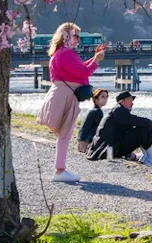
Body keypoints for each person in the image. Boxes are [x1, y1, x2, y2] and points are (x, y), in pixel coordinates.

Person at [37, 22, 105, 183]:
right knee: (65, 134)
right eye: (76, 36)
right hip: (66, 95)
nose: (78, 40)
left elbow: (79, 69)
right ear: (67, 36)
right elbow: (83, 72)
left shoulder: (60, 53)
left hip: (60, 93)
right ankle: (60, 170)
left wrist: (94, 58)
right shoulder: (66, 54)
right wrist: (96, 61)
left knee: (63, 133)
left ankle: (60, 169)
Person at [87, 91, 152, 170]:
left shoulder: (118, 111)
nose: (132, 103)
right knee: (143, 130)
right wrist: (151, 124)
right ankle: (150, 158)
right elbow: (135, 120)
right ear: (122, 102)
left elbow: (132, 124)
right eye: (130, 100)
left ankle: (146, 156)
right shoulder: (119, 110)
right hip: (107, 149)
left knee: (143, 128)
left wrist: (150, 125)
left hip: (109, 147)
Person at [77, 89, 109, 154]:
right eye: (102, 97)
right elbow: (103, 128)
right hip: (85, 144)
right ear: (96, 99)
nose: (105, 99)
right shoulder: (97, 112)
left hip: (81, 141)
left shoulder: (93, 110)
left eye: (106, 97)